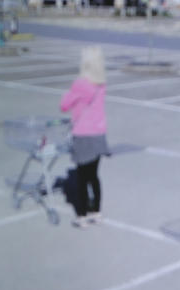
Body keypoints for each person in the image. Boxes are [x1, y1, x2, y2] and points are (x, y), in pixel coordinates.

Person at [60, 46, 109, 228]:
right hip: (99, 134)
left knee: (81, 178)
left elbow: (64, 105)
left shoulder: (80, 84)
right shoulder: (101, 84)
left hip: (83, 135)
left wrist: (68, 95)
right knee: (94, 176)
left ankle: (81, 216)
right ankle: (96, 212)